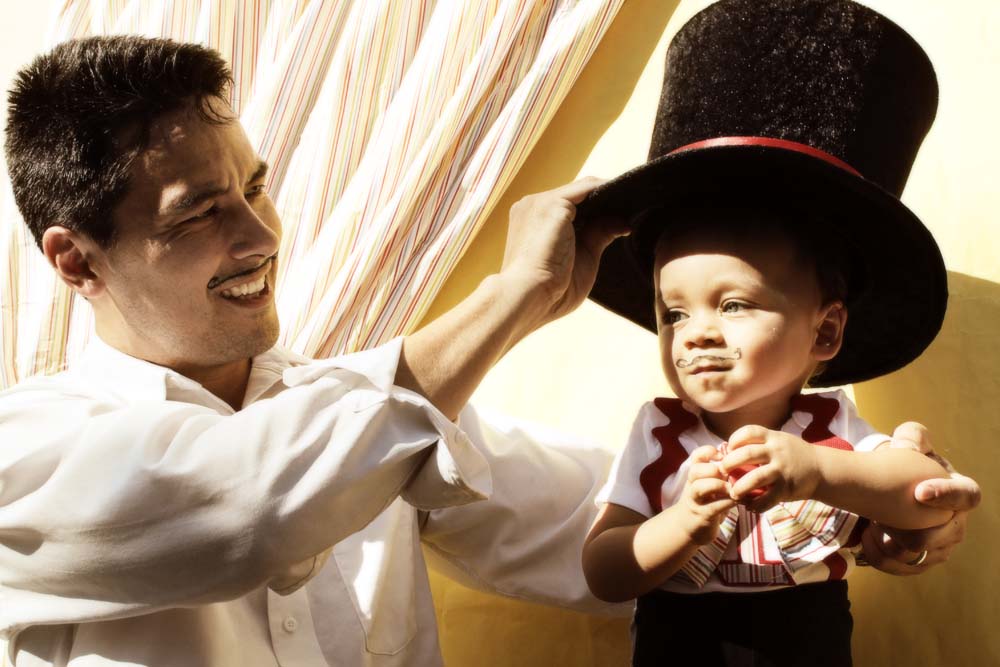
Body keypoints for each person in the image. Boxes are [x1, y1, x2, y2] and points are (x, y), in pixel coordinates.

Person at [0, 28, 978, 667]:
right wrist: (514, 298)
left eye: (256, 187)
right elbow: (242, 512)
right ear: (76, 259)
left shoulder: (377, 417)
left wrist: (860, 498)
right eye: (200, 213)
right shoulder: (23, 453)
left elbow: (611, 526)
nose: (260, 237)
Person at [577, 1, 978, 666]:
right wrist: (681, 523)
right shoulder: (659, 434)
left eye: (733, 304)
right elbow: (604, 569)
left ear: (825, 332)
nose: (695, 334)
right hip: (681, 637)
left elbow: (920, 494)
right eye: (674, 313)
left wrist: (818, 471)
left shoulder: (830, 429)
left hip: (804, 632)